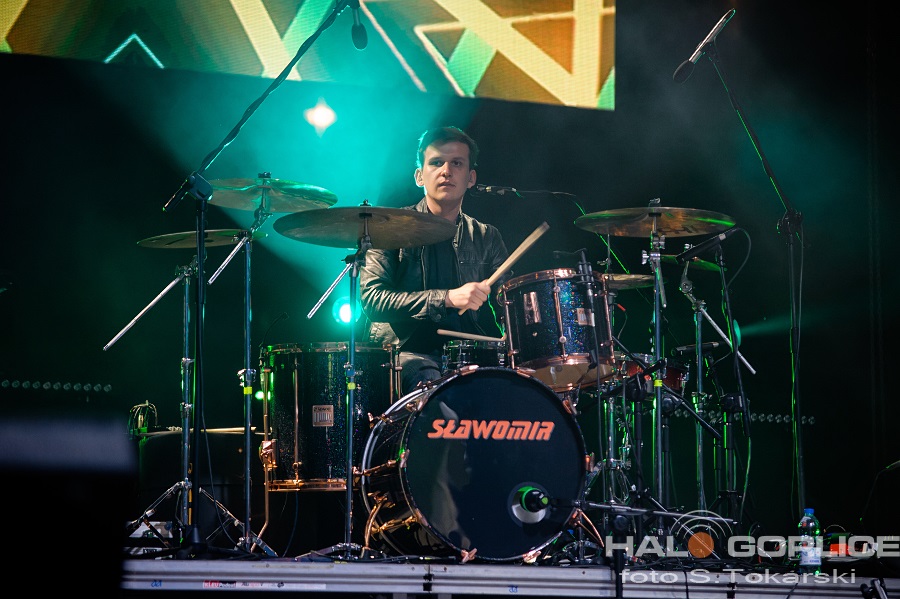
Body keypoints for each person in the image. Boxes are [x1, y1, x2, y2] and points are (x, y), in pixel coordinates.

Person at [359, 126, 510, 397]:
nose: (446, 171)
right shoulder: (389, 228)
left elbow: (508, 304)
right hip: (401, 354)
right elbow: (374, 300)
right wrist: (447, 298)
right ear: (419, 176)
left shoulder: (487, 237)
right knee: (431, 383)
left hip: (466, 357)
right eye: (436, 162)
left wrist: (517, 335)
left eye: (457, 163)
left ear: (471, 178)